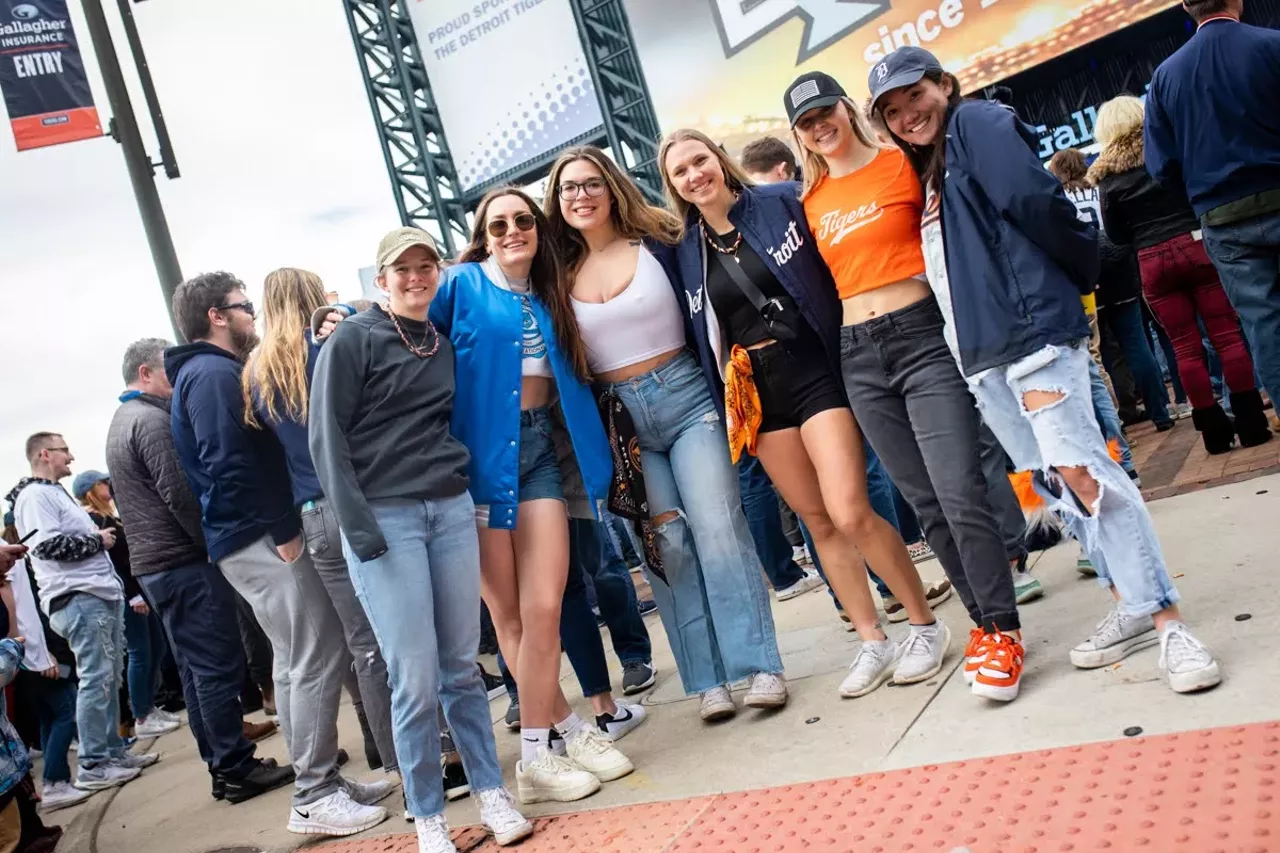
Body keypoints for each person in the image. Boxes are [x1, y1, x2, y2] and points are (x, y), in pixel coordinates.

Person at [869, 45, 1222, 695]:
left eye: (915, 95)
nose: (907, 113)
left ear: (945, 84)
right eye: (892, 109)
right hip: (987, 359)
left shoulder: (975, 124)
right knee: (1055, 488)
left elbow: (1041, 204)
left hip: (1030, 342)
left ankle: (1171, 623)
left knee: (1088, 476)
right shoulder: (932, 170)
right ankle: (1133, 599)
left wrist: (1077, 275)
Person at [658, 127, 951, 698]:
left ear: (719, 160)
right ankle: (872, 639)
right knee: (816, 522)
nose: (695, 175)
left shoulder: (780, 202)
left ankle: (924, 625)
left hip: (816, 367)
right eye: (680, 171)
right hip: (755, 391)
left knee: (849, 509)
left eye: (701, 161)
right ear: (672, 186)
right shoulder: (684, 252)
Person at [783, 70, 1026, 701]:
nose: (819, 127)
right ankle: (984, 625)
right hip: (858, 356)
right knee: (922, 500)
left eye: (825, 112)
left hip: (922, 337)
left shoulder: (901, 165)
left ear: (846, 109)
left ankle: (1004, 627)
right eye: (806, 123)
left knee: (958, 488)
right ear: (799, 136)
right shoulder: (810, 201)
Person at [544, 145, 788, 722]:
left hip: (687, 398)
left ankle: (759, 666)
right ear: (557, 202)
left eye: (590, 183)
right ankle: (708, 681)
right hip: (620, 421)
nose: (581, 195)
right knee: (668, 548)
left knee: (719, 528)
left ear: (611, 187)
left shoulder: (660, 239)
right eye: (568, 188)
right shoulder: (552, 274)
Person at [310, 227, 533, 852]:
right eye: (400, 269)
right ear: (380, 280)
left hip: (449, 510)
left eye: (425, 265)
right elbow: (326, 438)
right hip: (385, 521)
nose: (415, 277)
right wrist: (360, 530)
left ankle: (491, 791)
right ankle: (429, 815)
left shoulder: (437, 341)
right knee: (413, 676)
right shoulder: (352, 337)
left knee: (462, 668)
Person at [429, 190, 637, 803]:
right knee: (510, 614)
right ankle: (546, 747)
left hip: (542, 449)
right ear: (483, 234)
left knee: (545, 605)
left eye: (523, 220)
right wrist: (339, 319)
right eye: (499, 224)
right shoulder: (460, 284)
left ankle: (558, 735)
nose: (513, 230)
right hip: (479, 461)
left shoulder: (551, 290)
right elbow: (404, 322)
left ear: (539, 230)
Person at [166, 274, 390, 835]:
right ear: (217, 316)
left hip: (245, 536)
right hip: (260, 535)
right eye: (244, 308)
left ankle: (319, 783)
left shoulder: (200, 374)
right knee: (313, 653)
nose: (254, 318)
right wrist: (280, 527)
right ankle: (315, 791)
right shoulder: (214, 374)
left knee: (299, 658)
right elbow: (227, 462)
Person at [106, 337, 286, 804]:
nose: (177, 381)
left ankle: (224, 763)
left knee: (196, 669)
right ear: (146, 374)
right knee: (215, 666)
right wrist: (213, 546)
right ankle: (234, 765)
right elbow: (182, 494)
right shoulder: (150, 420)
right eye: (168, 371)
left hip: (161, 566)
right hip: (182, 561)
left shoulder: (126, 419)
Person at [241, 269, 400, 777]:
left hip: (313, 516)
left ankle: (393, 759)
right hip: (359, 498)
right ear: (313, 298)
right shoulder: (327, 349)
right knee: (399, 632)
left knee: (363, 645)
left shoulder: (257, 373)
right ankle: (430, 751)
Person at [1090, 96, 1272, 454]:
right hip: (1196, 246)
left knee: (1184, 347)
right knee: (1227, 336)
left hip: (1152, 261)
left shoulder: (1107, 179)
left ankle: (1214, 433)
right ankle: (1251, 423)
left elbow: (1115, 235)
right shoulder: (1168, 152)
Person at [1144, 0, 1280, 408]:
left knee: (1264, 329)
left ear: (1187, 6)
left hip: (1223, 220)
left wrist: (1199, 193)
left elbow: (1161, 165)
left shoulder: (1166, 76)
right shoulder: (1272, 45)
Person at [5, 434, 157, 790]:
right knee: (97, 678)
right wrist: (97, 540)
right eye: (63, 450)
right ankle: (93, 762)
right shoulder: (36, 497)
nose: (70, 456)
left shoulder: (52, 494)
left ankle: (111, 751)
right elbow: (44, 546)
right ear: (45, 454)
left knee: (108, 676)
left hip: (95, 595)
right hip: (78, 597)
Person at [71, 470, 179, 742]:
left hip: (138, 590)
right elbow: (114, 565)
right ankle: (141, 715)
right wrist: (133, 594)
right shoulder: (93, 520)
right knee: (140, 651)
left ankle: (149, 707)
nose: (109, 486)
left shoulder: (108, 517)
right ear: (90, 491)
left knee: (157, 646)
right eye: (102, 484)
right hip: (128, 594)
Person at [1, 518, 87, 813]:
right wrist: (37, 654)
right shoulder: (8, 570)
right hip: (27, 652)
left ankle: (55, 780)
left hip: (25, 652)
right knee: (66, 711)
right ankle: (54, 780)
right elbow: (18, 611)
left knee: (52, 716)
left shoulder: (11, 559)